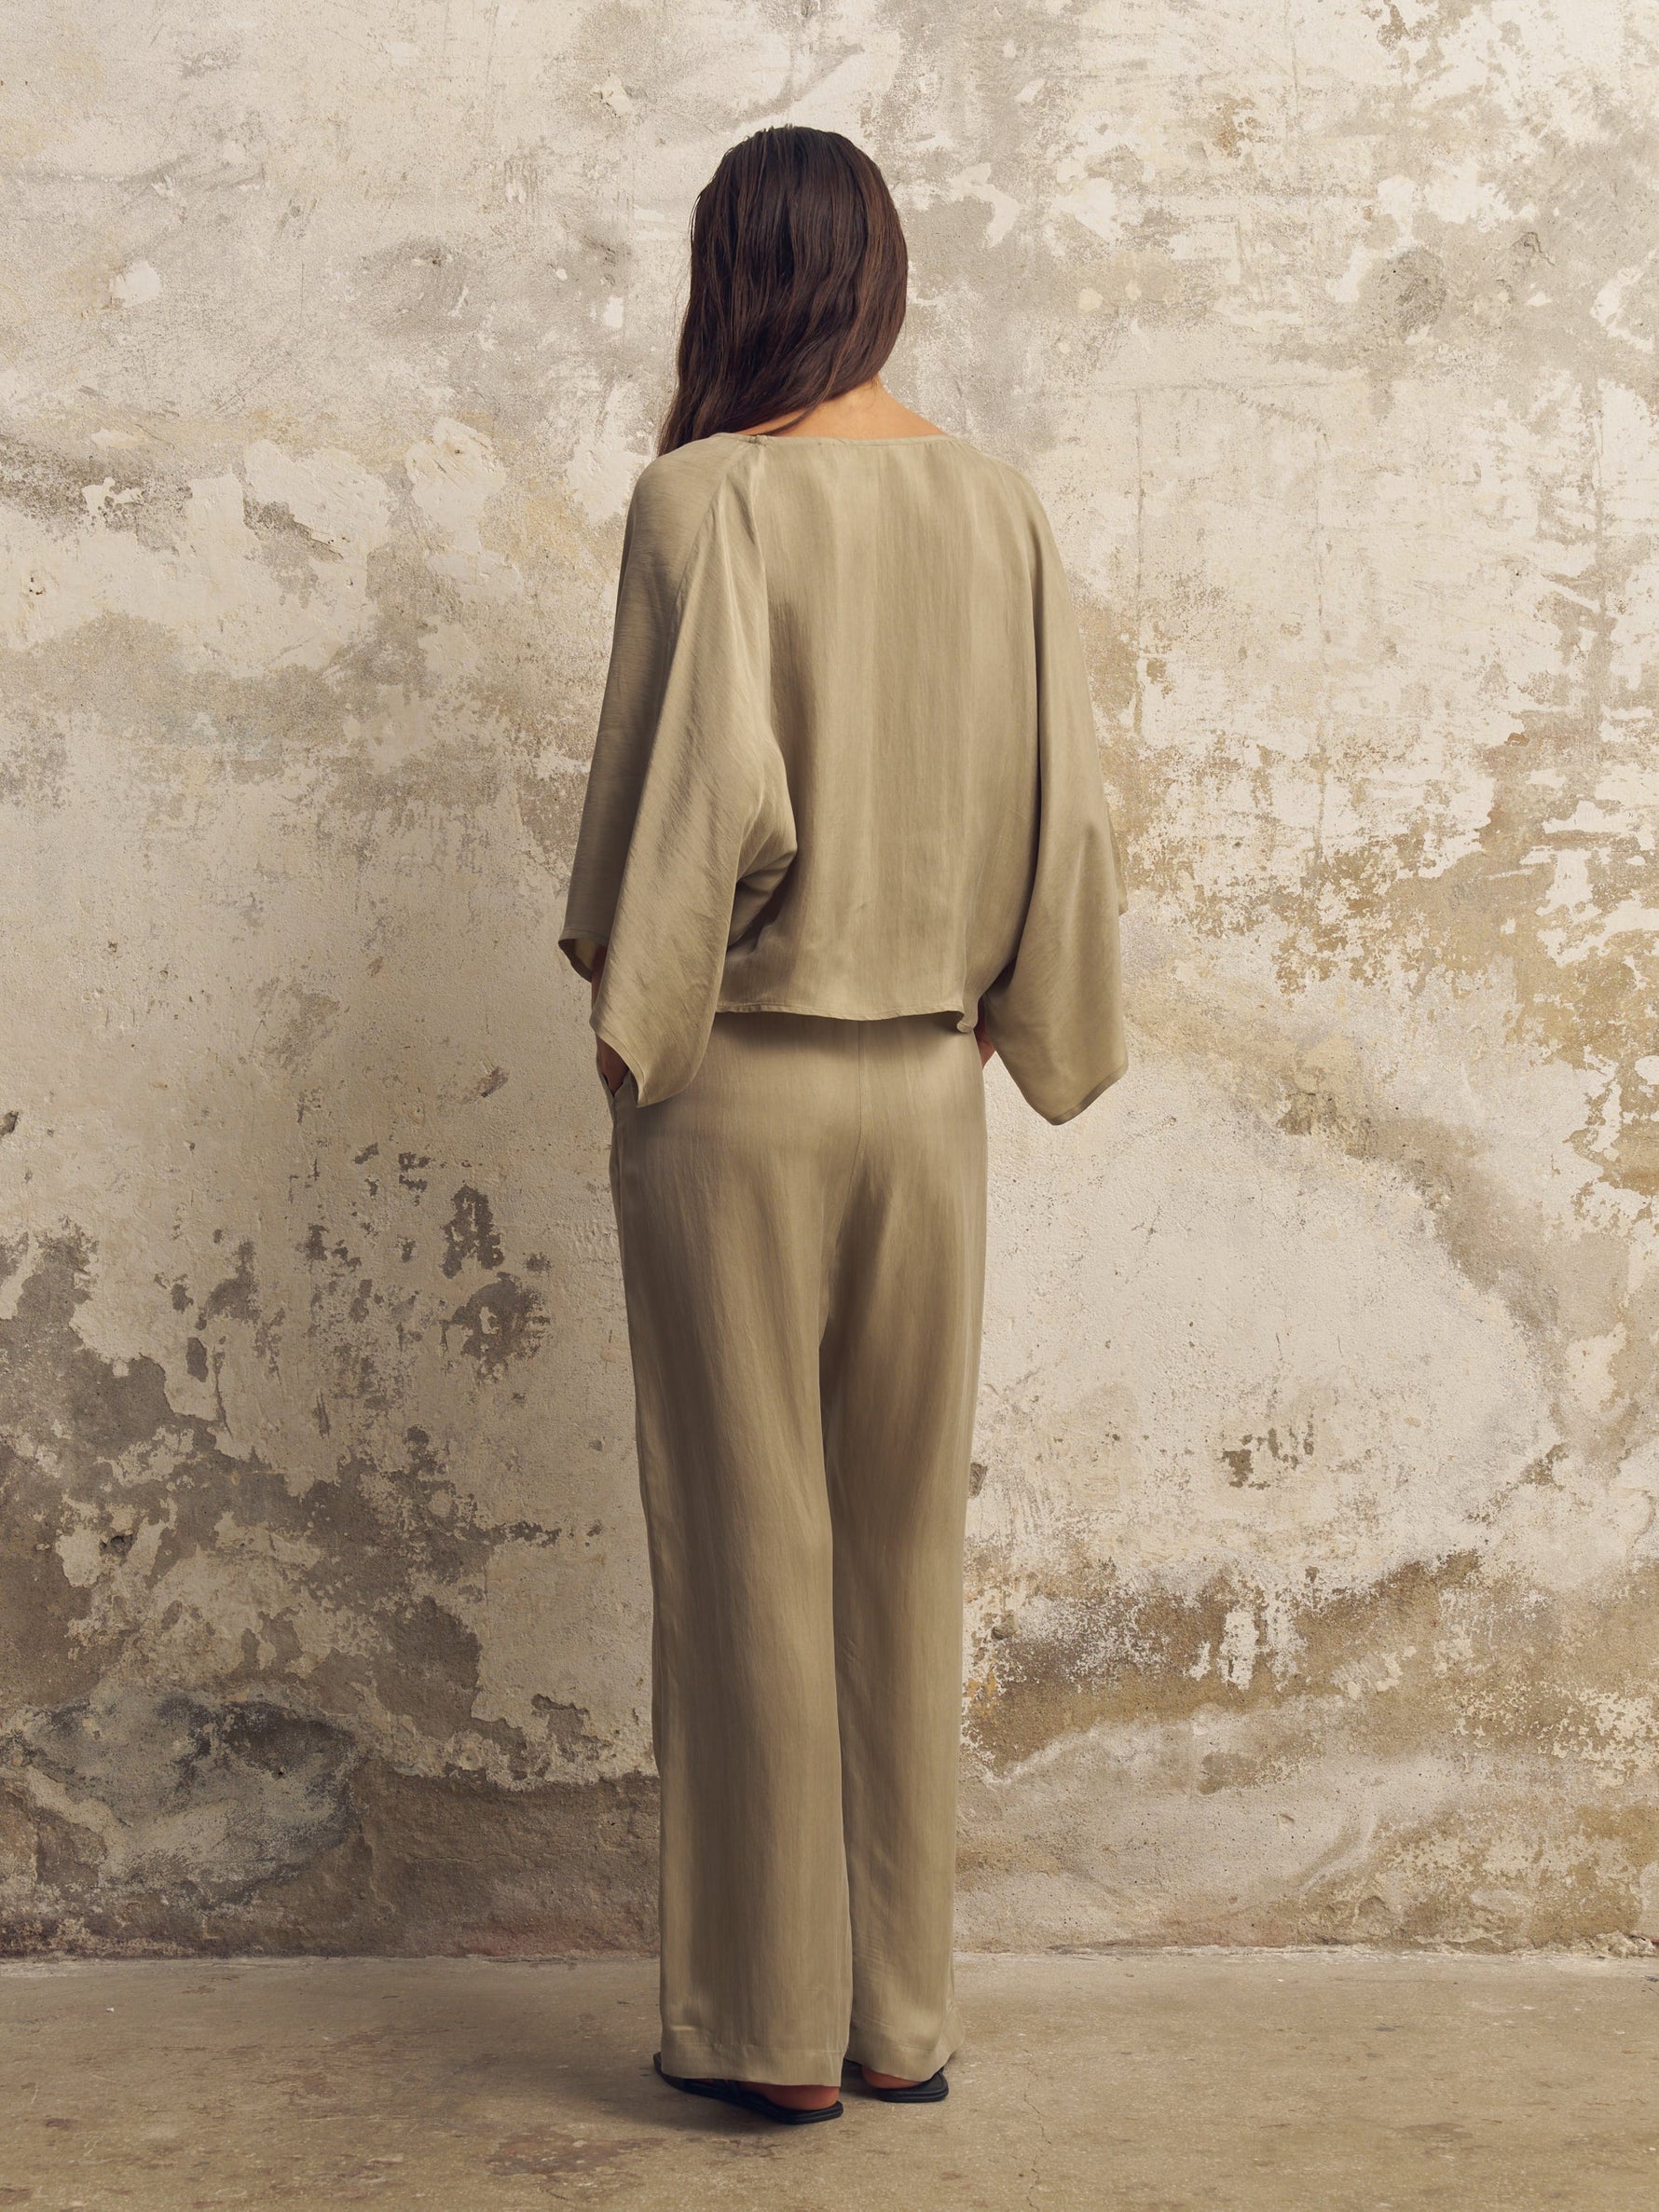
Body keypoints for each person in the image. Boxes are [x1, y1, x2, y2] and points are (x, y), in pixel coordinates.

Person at [558, 124, 1128, 2126]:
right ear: (879, 272)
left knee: (749, 1549)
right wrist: (996, 1007)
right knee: (899, 1549)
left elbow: (684, 812)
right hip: (927, 1094)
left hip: (736, 1088)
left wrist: (630, 1019)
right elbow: (1068, 811)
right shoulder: (997, 504)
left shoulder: (703, 498)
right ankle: (899, 2014)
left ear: (728, 275)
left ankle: (764, 2027)